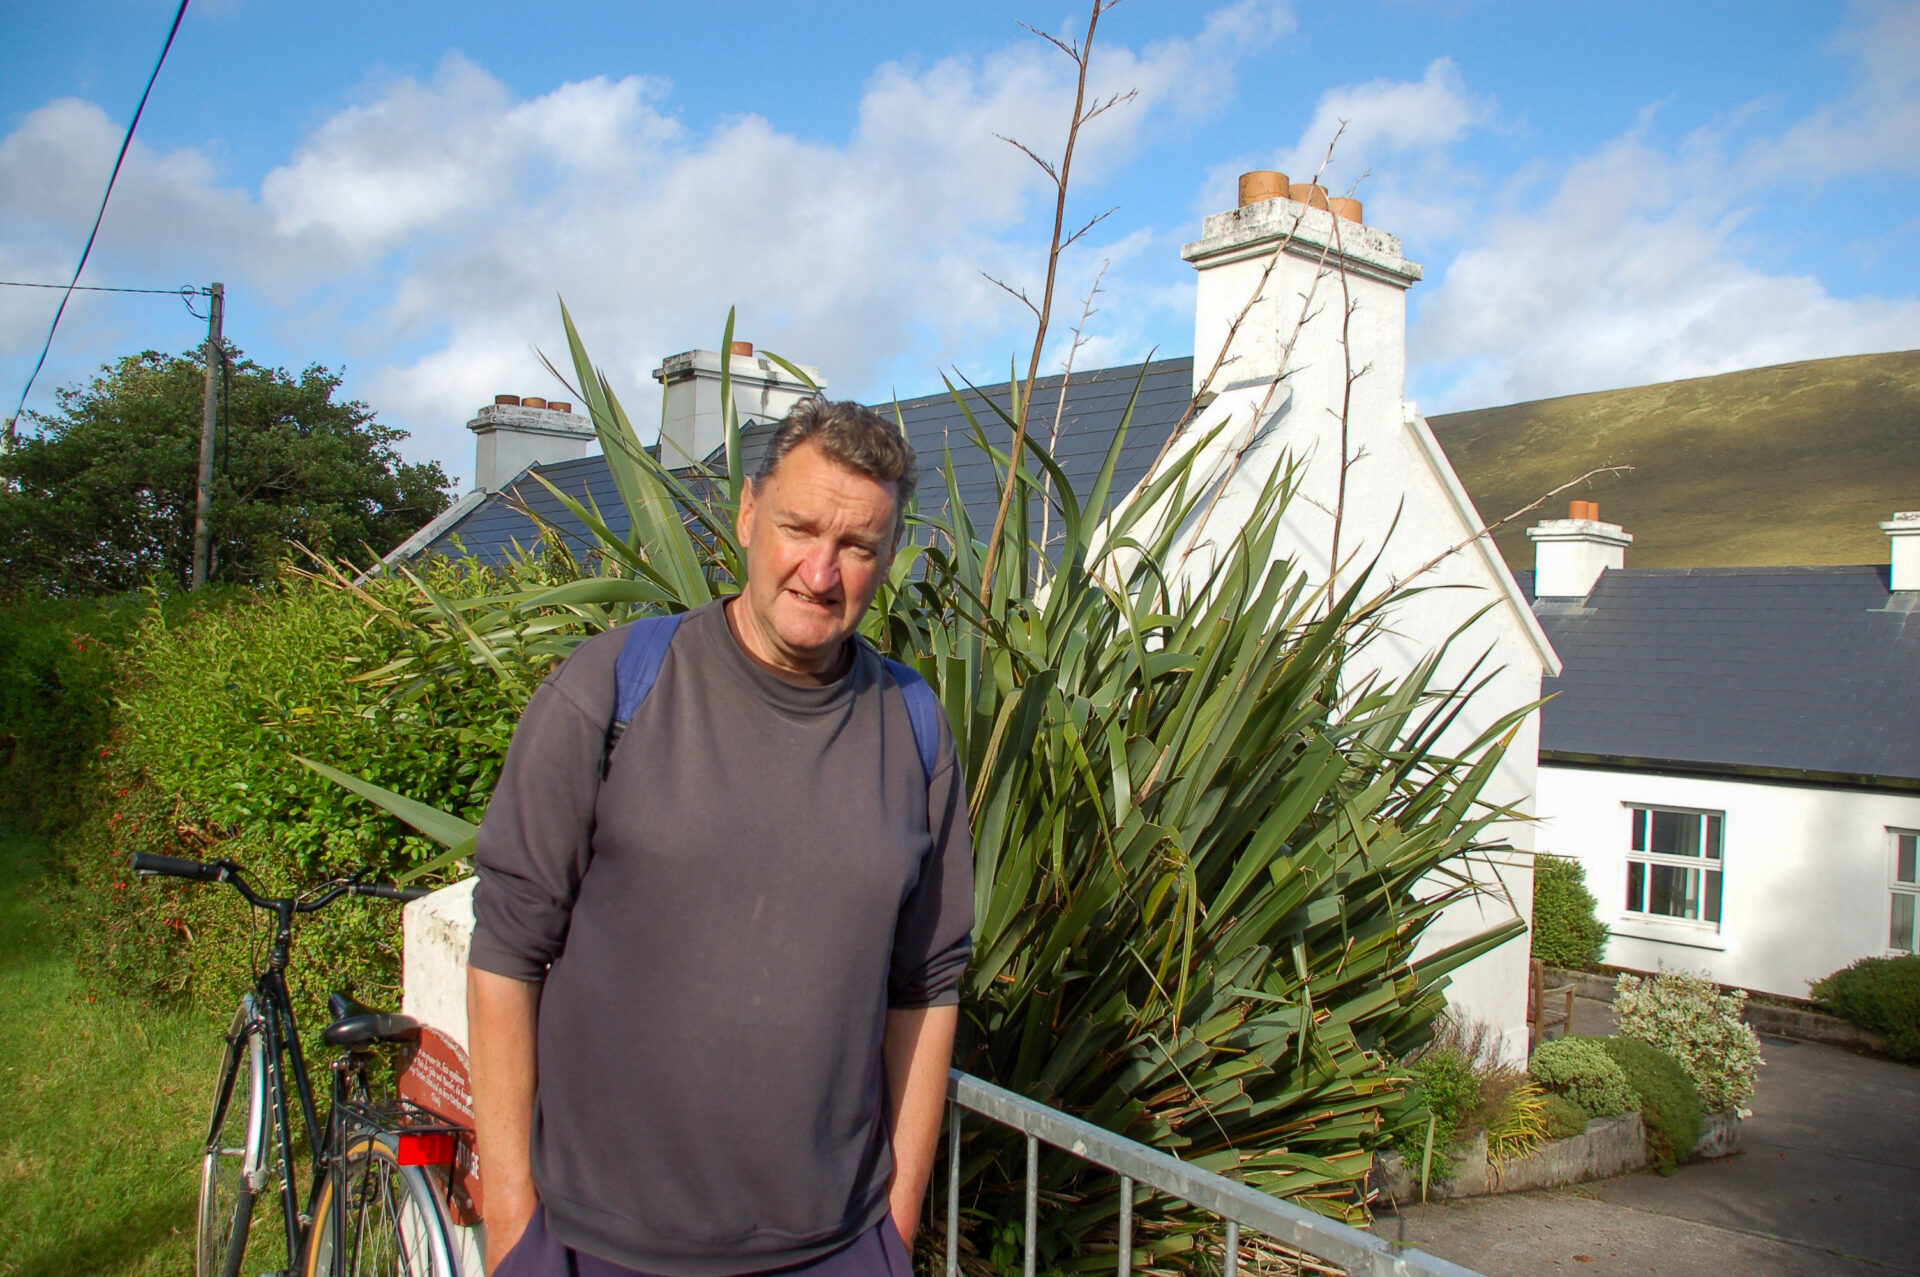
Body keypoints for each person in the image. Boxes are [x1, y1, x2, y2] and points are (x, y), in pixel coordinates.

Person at [466, 398, 974, 1277]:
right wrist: (513, 1225)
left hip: (837, 1246)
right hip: (601, 1245)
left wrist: (896, 1224)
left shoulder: (913, 725)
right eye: (798, 527)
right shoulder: (615, 687)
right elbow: (507, 950)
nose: (821, 572)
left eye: (856, 547)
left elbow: (927, 984)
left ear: (889, 557)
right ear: (746, 514)